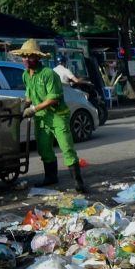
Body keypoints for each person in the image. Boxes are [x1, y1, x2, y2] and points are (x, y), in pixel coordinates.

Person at [12, 40, 85, 192]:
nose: (26, 60)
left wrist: (33, 109)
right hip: (41, 118)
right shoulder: (26, 75)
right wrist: (22, 112)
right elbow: (29, 97)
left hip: (57, 116)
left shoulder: (49, 74)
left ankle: (78, 182)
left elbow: (54, 98)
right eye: (24, 57)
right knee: (44, 149)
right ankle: (51, 177)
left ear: (37, 58)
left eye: (30, 57)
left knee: (67, 148)